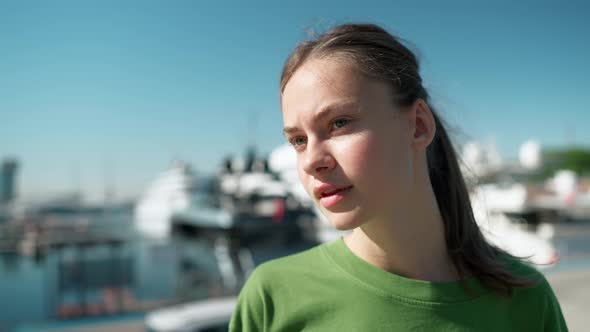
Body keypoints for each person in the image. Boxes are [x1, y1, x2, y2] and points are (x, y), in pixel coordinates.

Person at [229, 23, 568, 331]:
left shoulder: (525, 301)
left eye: (339, 122)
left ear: (418, 125)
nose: (311, 161)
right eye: (299, 141)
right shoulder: (271, 299)